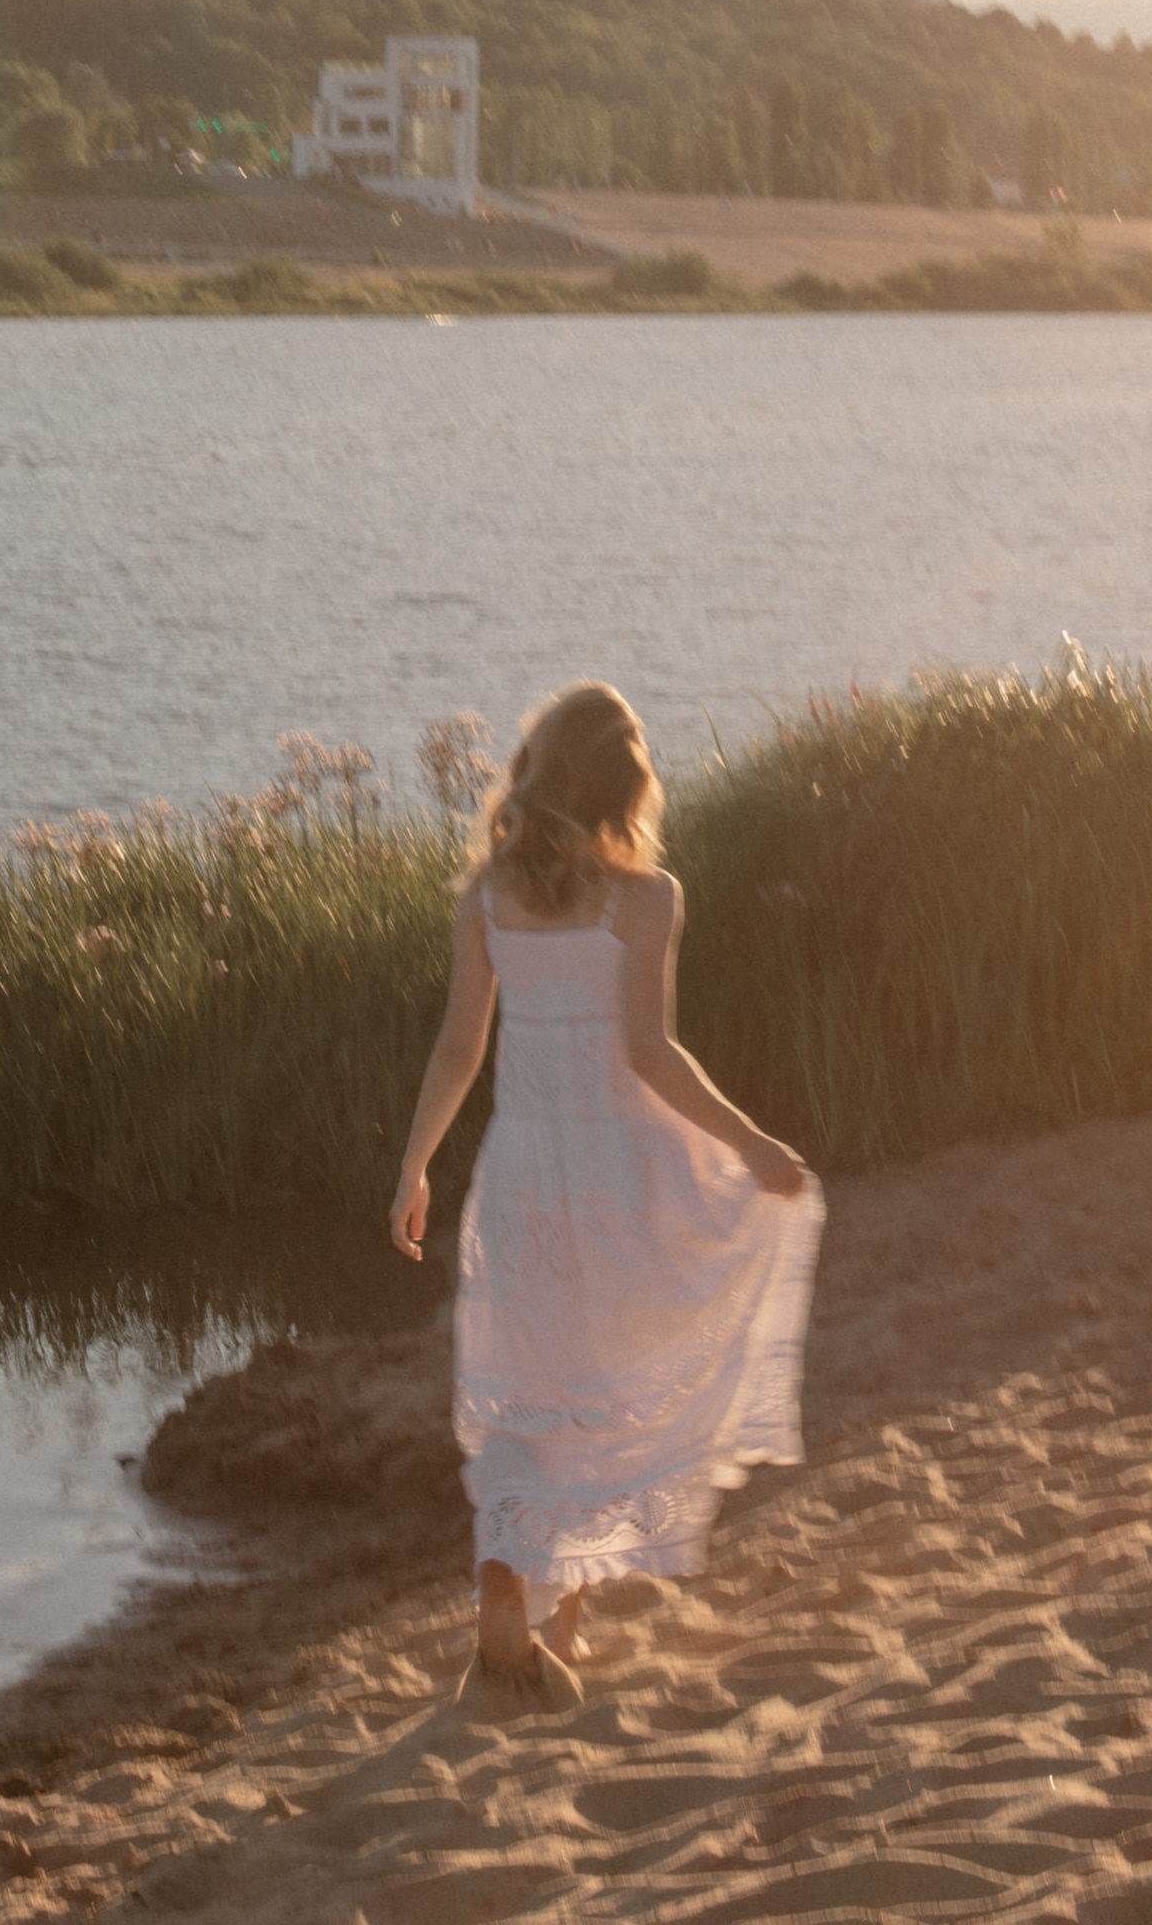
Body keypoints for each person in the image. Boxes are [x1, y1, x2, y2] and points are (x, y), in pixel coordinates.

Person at [389, 681, 825, 1712]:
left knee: (524, 1395)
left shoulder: (489, 896)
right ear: (628, 786)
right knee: (606, 1391)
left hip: (520, 1174)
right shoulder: (644, 898)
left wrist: (413, 1166)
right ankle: (565, 1632)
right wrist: (753, 1142)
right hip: (619, 1174)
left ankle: (509, 1603)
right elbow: (649, 1055)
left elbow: (459, 1047)